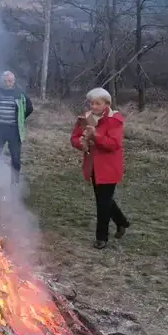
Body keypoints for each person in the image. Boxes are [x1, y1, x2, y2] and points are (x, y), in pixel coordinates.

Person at [70, 88, 130, 250]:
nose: (94, 106)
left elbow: (113, 145)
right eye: (91, 102)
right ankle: (122, 221)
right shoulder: (84, 118)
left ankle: (101, 238)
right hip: (93, 166)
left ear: (106, 104)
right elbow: (74, 138)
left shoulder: (114, 120)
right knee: (104, 199)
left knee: (103, 202)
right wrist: (80, 144)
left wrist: (95, 135)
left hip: (109, 167)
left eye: (98, 103)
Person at [0, 71, 33, 187]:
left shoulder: (20, 94)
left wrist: (20, 118)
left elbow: (29, 108)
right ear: (1, 81)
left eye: (10, 81)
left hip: (14, 131)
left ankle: (15, 182)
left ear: (14, 81)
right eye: (5, 81)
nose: (7, 83)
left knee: (15, 158)